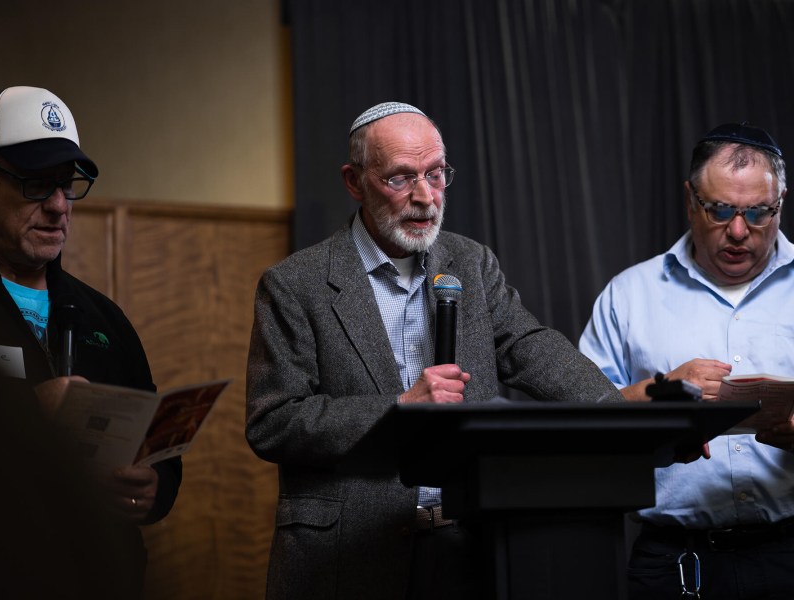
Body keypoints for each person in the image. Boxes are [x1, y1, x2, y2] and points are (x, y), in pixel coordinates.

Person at [246, 101, 623, 600]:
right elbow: (273, 422)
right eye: (400, 179)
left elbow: (530, 348)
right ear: (354, 181)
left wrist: (616, 414)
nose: (425, 197)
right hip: (347, 554)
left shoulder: (470, 261)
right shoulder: (296, 284)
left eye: (436, 174)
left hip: (467, 542)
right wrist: (399, 409)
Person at [579, 122, 794, 599]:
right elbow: (580, 424)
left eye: (758, 213)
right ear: (689, 199)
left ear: (781, 203)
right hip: (673, 563)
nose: (739, 231)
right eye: (719, 210)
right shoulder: (628, 296)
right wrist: (658, 396)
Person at [0, 86, 181, 598]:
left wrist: (153, 490)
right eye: (36, 185)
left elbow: (157, 447)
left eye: (66, 185)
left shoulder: (105, 318)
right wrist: (31, 417)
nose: (58, 206)